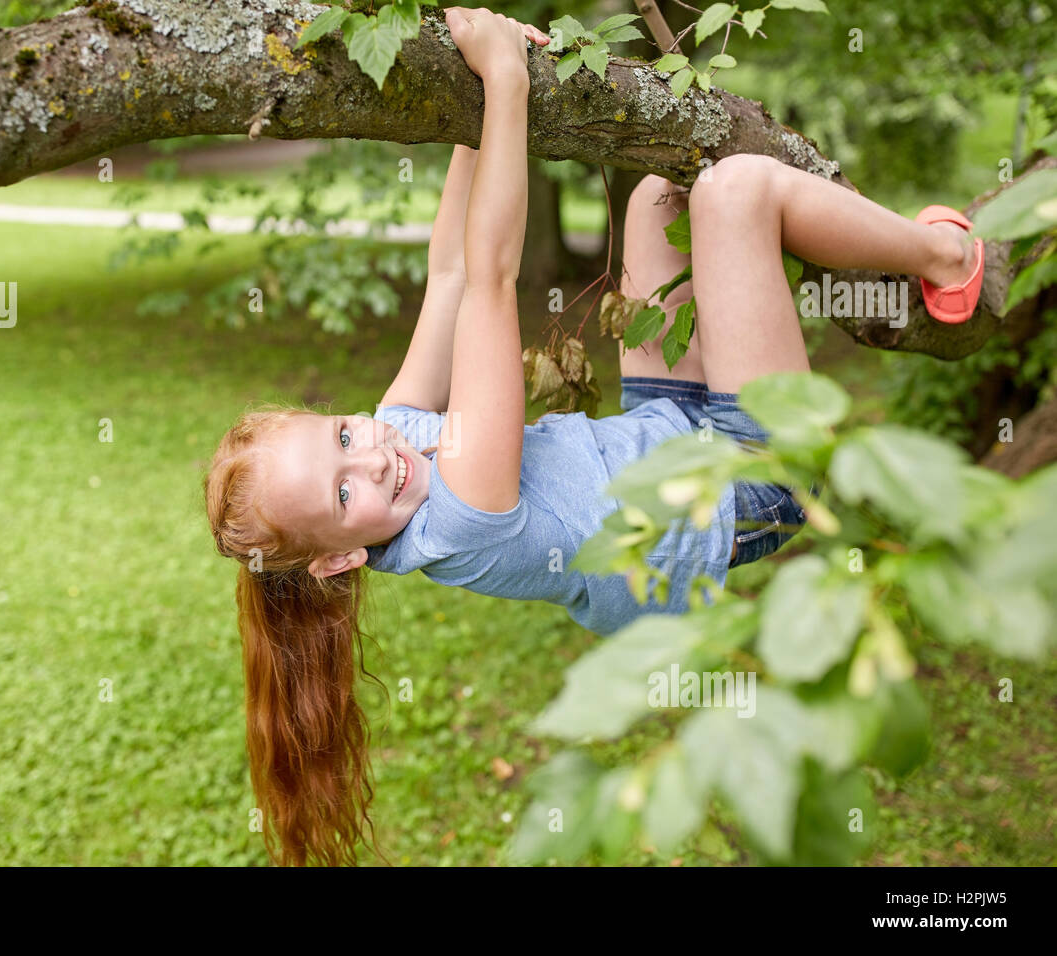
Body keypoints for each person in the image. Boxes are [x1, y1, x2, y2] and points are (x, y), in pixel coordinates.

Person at [202, 6, 984, 866]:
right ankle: (943, 257)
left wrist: (470, 108)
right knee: (735, 193)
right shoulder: (461, 514)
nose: (373, 457)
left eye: (342, 433)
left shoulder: (392, 438)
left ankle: (817, 254)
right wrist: (504, 78)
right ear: (341, 559)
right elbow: (493, 280)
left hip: (663, 430)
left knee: (661, 193)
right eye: (343, 490)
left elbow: (452, 271)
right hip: (746, 491)